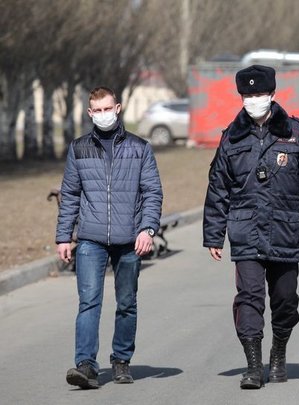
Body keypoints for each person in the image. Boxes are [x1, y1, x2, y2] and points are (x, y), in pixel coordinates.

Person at [203, 65, 299, 389]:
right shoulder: (231, 136)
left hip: (285, 230)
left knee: (285, 299)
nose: (253, 99)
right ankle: (252, 366)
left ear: (272, 94)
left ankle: (278, 351)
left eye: (259, 93)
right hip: (245, 231)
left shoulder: (297, 132)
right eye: (247, 95)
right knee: (249, 297)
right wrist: (214, 235)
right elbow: (218, 188)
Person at [56, 86, 163, 389]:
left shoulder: (140, 148)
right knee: (89, 302)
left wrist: (147, 229)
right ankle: (86, 365)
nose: (103, 115)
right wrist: (64, 236)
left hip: (129, 239)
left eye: (108, 109)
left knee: (126, 302)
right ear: (90, 113)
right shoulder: (79, 148)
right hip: (90, 239)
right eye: (97, 110)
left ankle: (121, 360)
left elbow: (152, 192)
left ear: (117, 109)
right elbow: (70, 194)